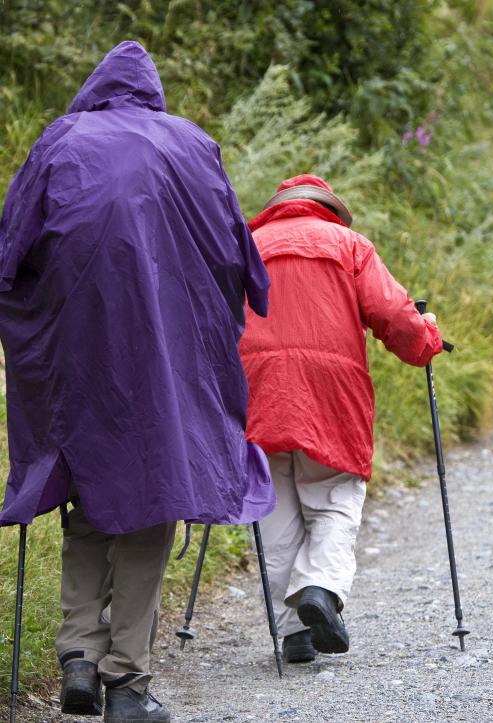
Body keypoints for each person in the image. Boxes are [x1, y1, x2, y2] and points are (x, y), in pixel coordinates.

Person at [0, 41, 274, 722]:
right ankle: (128, 682)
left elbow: (10, 252)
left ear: (96, 88)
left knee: (89, 495)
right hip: (168, 355)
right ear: (152, 93)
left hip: (78, 351)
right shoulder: (191, 144)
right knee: (152, 499)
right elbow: (241, 256)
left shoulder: (62, 139)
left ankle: (79, 660)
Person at [239, 174, 442, 663]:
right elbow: (393, 315)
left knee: (277, 511)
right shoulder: (350, 244)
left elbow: (210, 318)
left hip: (258, 389)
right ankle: (320, 589)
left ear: (278, 207)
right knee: (334, 498)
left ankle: (295, 634)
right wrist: (427, 340)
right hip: (331, 393)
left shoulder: (246, 245)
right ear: (326, 208)